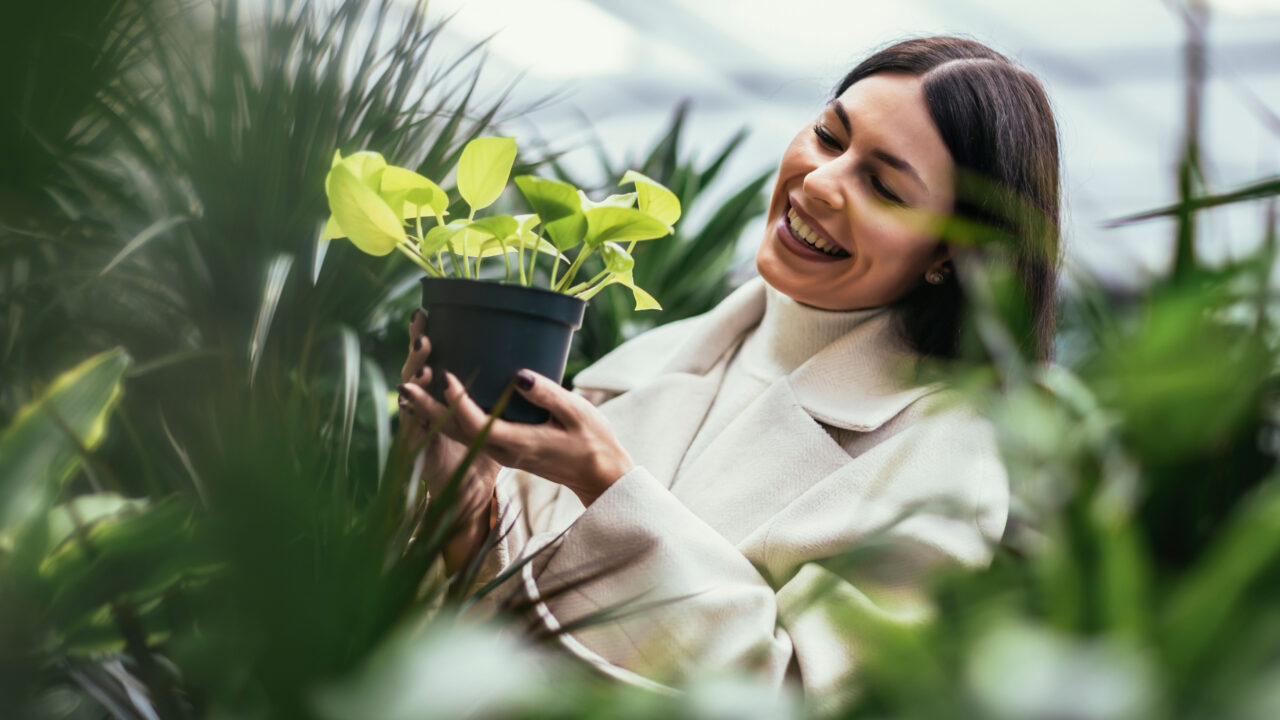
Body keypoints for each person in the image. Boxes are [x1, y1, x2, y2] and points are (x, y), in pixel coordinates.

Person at [396, 36, 1060, 711]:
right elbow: (485, 622)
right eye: (830, 137)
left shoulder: (943, 459)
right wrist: (465, 499)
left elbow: (806, 696)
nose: (822, 182)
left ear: (950, 253)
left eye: (883, 186)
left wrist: (608, 486)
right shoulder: (654, 358)